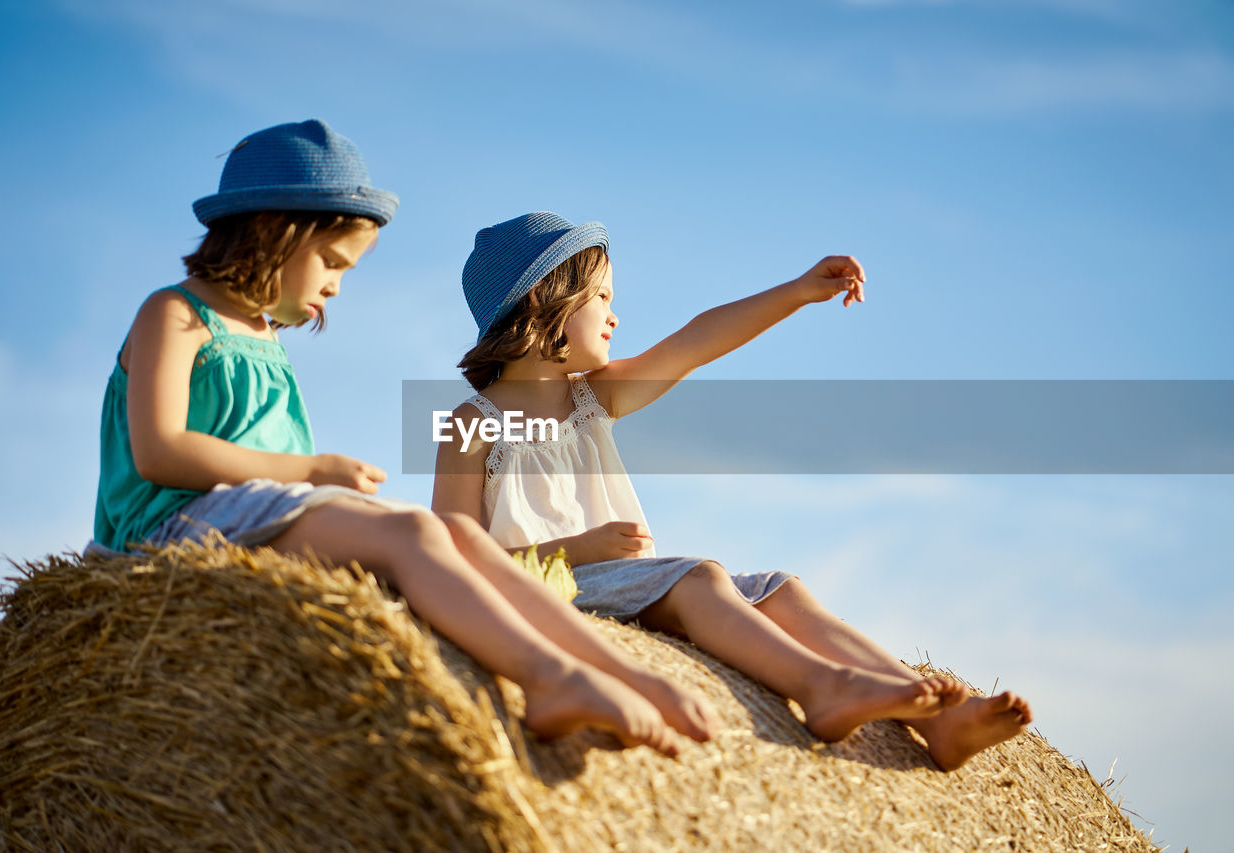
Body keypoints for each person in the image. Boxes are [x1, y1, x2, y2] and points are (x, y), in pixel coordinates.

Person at [87, 124, 719, 756]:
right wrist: (309, 473)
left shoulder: (262, 336)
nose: (335, 285)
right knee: (416, 535)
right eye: (332, 262)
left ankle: (624, 672)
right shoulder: (172, 315)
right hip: (172, 525)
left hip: (252, 513)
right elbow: (159, 451)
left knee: (461, 536)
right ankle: (548, 677)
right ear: (274, 231)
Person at [432, 211, 1033, 768]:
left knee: (780, 591)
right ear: (544, 299)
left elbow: (695, 342)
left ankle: (942, 721)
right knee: (700, 578)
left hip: (626, 584)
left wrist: (797, 291)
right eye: (603, 298)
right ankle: (819, 686)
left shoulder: (594, 397)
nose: (616, 315)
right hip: (554, 594)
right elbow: (456, 561)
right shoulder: (470, 424)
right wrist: (578, 551)